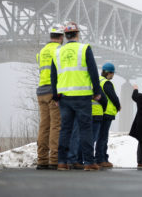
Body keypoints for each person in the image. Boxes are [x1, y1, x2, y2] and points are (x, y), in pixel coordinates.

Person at [51, 21, 102, 171]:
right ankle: (88, 162)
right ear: (77, 34)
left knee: (65, 129)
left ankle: (62, 162)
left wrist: (55, 96)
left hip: (64, 97)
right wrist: (97, 91)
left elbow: (54, 76)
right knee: (86, 129)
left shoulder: (58, 52)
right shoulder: (84, 48)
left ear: (65, 36)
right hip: (82, 95)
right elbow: (93, 71)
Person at [35, 24, 64, 170]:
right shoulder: (59, 50)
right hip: (54, 91)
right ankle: (54, 160)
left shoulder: (42, 51)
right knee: (56, 125)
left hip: (41, 92)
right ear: (61, 37)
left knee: (44, 126)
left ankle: (42, 160)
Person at [95, 62, 121, 168]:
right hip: (107, 113)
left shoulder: (98, 81)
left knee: (100, 136)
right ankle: (101, 159)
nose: (113, 76)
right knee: (103, 137)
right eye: (113, 74)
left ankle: (100, 158)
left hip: (99, 112)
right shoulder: (107, 83)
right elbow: (113, 96)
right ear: (109, 73)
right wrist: (118, 105)